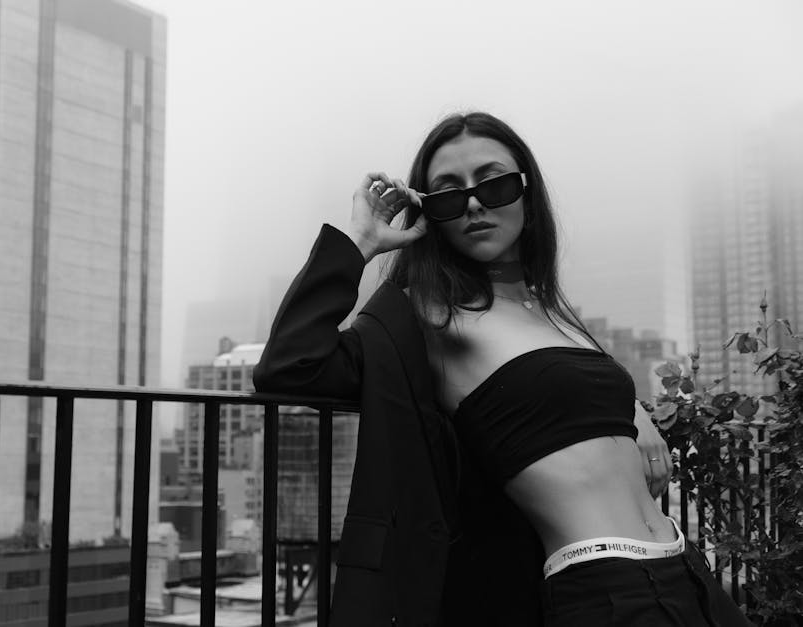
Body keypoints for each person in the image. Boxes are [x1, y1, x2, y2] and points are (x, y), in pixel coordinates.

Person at [254, 112, 751, 626]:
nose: (472, 202)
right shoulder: (430, 314)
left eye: (494, 184)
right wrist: (359, 242)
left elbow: (559, 401)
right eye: (447, 194)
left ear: (527, 195)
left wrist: (630, 408)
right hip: (606, 588)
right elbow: (293, 364)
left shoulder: (552, 310)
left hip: (688, 569)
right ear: (431, 215)